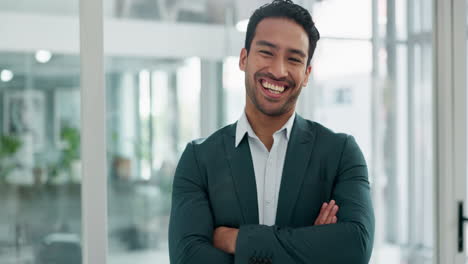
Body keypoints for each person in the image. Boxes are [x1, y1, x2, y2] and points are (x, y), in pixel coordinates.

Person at [168, 0, 375, 263]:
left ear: (307, 73)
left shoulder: (341, 154)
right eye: (267, 53)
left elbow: (355, 248)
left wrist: (237, 240)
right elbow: (188, 258)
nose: (278, 70)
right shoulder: (199, 159)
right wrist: (312, 248)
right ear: (243, 59)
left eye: (294, 59)